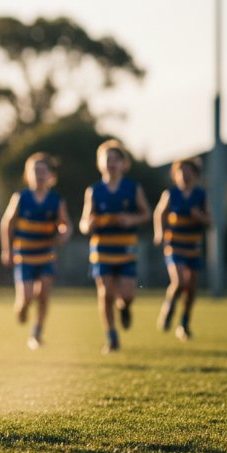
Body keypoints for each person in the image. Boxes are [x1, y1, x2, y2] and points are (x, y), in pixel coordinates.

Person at [79, 140, 151, 353]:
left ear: (123, 164)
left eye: (115, 159)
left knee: (127, 294)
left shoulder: (132, 188)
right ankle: (111, 336)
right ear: (99, 163)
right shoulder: (93, 191)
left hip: (126, 248)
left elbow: (146, 213)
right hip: (101, 250)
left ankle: (125, 307)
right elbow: (83, 223)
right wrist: (88, 225)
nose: (111, 163)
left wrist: (131, 220)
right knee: (106, 293)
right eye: (107, 159)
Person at [0, 152, 72, 349]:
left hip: (47, 255)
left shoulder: (56, 200)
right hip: (24, 256)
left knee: (44, 295)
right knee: (27, 297)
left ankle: (37, 334)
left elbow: (66, 225)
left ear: (50, 175)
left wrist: (63, 234)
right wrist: (7, 250)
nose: (39, 174)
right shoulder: (21, 197)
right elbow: (7, 223)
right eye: (35, 171)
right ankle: (22, 308)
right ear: (28, 175)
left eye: (43, 171)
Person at [153, 157, 212, 341]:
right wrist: (160, 233)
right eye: (181, 172)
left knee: (191, 288)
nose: (184, 175)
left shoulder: (201, 195)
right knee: (179, 282)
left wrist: (198, 217)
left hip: (193, 247)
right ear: (175, 175)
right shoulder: (170, 194)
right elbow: (159, 214)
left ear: (195, 175)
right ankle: (169, 307)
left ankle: (184, 323)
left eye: (188, 172)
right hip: (174, 246)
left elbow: (210, 221)